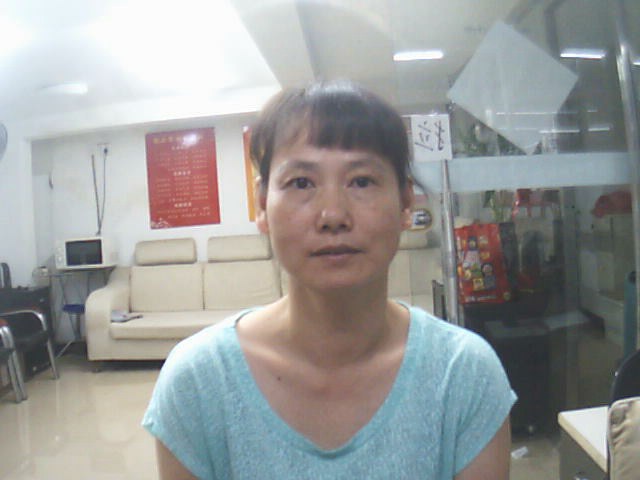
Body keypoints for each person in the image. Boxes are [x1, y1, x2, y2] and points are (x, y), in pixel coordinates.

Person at [142, 80, 516, 479]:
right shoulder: (199, 382)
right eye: (301, 183)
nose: (333, 215)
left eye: (362, 181)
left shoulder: (464, 376)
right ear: (262, 205)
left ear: (406, 203)